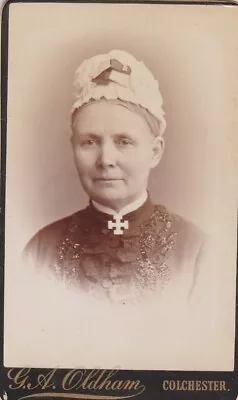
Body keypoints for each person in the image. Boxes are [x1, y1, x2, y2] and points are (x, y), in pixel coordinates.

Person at [24, 49, 208, 305]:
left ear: (155, 152)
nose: (105, 159)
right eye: (89, 142)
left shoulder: (197, 250)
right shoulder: (41, 250)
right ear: (73, 146)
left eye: (124, 141)